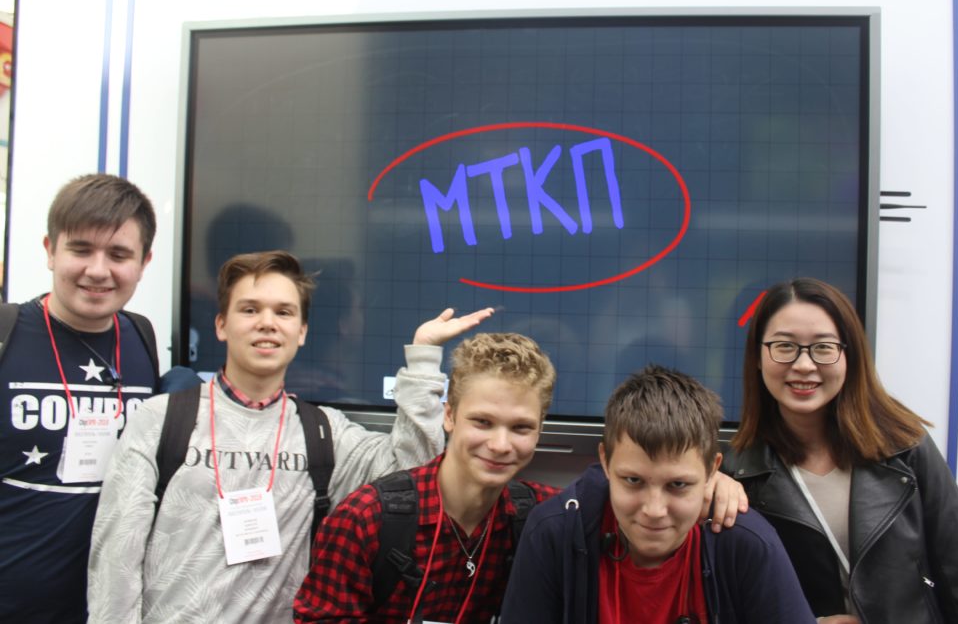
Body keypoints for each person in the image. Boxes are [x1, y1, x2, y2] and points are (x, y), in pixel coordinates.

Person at [87, 250, 492, 623]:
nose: (267, 322)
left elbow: (411, 474)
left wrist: (422, 358)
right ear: (221, 325)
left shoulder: (325, 433)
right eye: (250, 309)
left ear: (301, 331)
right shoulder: (161, 419)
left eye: (283, 312)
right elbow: (115, 558)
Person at [723, 277, 958, 623]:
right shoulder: (737, 473)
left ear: (850, 355)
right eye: (784, 346)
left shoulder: (905, 447)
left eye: (823, 347)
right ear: (757, 356)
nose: (804, 365)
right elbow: (733, 603)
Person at [501, 364, 816, 624]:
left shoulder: (747, 543)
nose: (654, 510)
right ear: (605, 462)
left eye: (677, 485)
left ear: (712, 470)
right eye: (633, 481)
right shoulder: (554, 533)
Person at [293, 332, 560, 623]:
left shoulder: (546, 516)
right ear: (449, 416)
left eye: (520, 428)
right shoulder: (365, 520)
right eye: (482, 422)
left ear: (539, 430)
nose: (500, 445)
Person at [0, 173, 159, 624]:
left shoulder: (141, 337)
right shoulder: (7, 335)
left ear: (144, 262)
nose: (98, 270)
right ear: (50, 250)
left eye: (119, 255)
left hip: (106, 610)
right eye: (81, 249)